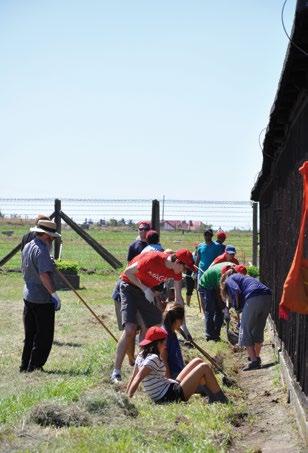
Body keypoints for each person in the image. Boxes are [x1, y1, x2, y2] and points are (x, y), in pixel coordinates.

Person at [110, 249, 195, 383]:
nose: (184, 273)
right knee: (130, 330)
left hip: (146, 291)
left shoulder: (175, 270)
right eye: (185, 269)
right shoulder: (153, 258)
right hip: (129, 286)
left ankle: (141, 366)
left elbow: (178, 298)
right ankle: (116, 372)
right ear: (178, 261)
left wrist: (182, 323)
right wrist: (144, 289)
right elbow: (127, 272)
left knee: (153, 325)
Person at [126, 326, 228, 404]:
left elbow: (134, 377)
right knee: (204, 367)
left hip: (169, 387)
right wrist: (128, 399)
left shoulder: (141, 356)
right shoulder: (153, 359)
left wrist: (125, 396)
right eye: (164, 342)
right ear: (158, 343)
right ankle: (221, 399)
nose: (165, 345)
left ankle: (212, 397)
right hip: (170, 396)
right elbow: (138, 378)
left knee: (197, 361)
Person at [20, 219, 62, 372]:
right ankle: (36, 365)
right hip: (41, 299)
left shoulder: (28, 246)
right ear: (45, 235)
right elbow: (44, 275)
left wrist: (48, 262)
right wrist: (54, 295)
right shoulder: (42, 250)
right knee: (44, 336)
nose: (52, 240)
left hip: (28, 295)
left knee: (30, 334)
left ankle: (25, 365)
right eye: (51, 237)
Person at [220, 269, 272, 370]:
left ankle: (253, 361)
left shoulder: (229, 279)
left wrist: (236, 306)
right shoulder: (245, 278)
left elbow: (235, 290)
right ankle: (256, 358)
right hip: (267, 296)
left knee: (244, 330)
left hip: (253, 297)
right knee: (258, 329)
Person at [199, 262, 235, 341]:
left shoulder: (235, 272)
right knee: (210, 309)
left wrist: (228, 305)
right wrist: (224, 308)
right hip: (207, 284)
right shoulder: (221, 275)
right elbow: (219, 293)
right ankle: (209, 334)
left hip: (216, 283)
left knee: (219, 311)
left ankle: (216, 334)